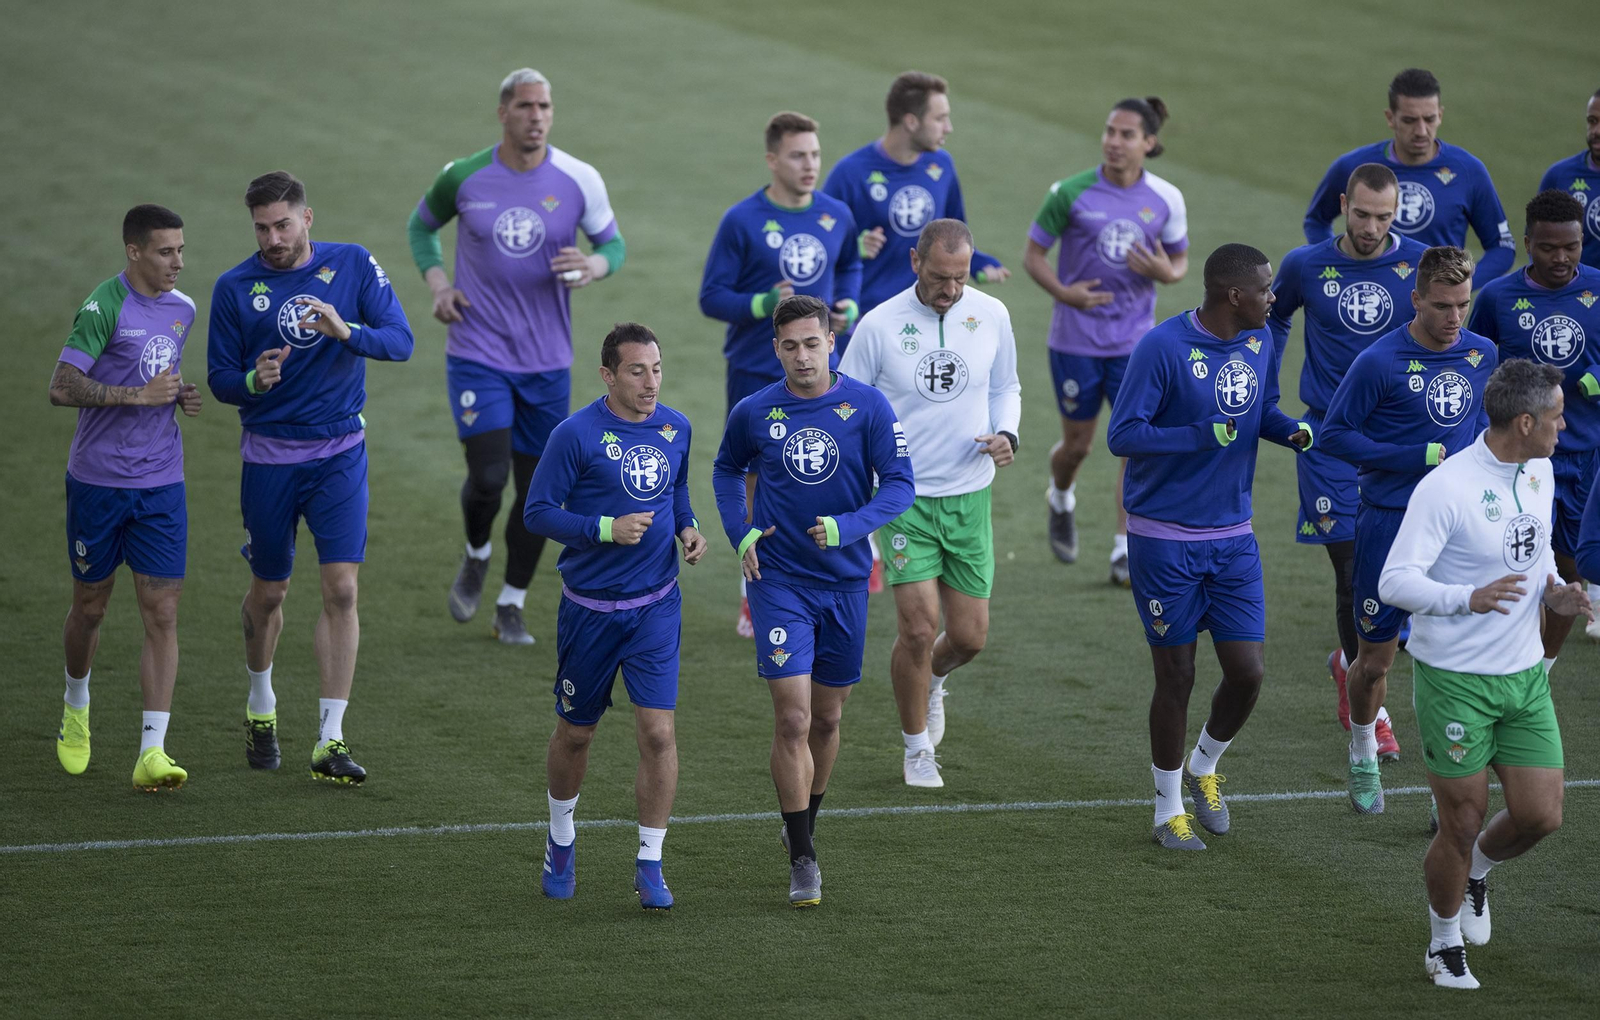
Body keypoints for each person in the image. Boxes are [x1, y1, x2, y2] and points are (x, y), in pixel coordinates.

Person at [1378, 359, 1590, 990]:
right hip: (1456, 682)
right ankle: (1443, 944)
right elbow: (1395, 581)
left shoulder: (1540, 470)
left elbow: (1536, 548)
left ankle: (1476, 872)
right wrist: (1464, 598)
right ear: (1524, 422)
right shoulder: (1446, 488)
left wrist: (1554, 590)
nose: (1564, 425)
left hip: (1523, 678)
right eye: (1556, 416)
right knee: (1462, 820)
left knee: (1541, 815)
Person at [208, 171, 415, 785]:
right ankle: (261, 705)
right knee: (270, 591)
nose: (273, 239)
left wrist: (345, 331)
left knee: (342, 590)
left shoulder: (352, 264)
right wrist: (253, 380)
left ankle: (330, 738)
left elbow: (401, 341)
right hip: (269, 460)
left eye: (282, 224)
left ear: (307, 218)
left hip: (340, 456)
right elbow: (220, 378)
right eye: (261, 229)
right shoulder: (233, 288)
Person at [408, 67, 626, 645]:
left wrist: (592, 265)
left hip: (546, 362)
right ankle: (477, 552)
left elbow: (613, 245)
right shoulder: (463, 176)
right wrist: (438, 285)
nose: (537, 116)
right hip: (477, 352)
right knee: (488, 476)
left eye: (545, 106)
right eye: (526, 106)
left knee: (537, 495)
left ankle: (511, 602)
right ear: (503, 112)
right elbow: (421, 228)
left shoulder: (578, 178)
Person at [1106, 244, 1312, 851]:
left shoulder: (1259, 339)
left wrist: (1291, 431)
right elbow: (1123, 435)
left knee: (1247, 673)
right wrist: (1199, 434)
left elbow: (1259, 410)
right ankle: (1166, 809)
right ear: (1234, 295)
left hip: (1233, 537)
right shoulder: (1162, 347)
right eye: (1265, 289)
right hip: (1163, 539)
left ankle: (1204, 765)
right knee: (1177, 674)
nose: (1274, 298)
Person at [712, 295, 914, 906]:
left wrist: (849, 527)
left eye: (812, 343)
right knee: (794, 718)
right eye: (790, 346)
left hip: (846, 583)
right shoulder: (755, 410)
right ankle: (803, 856)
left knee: (827, 718)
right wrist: (740, 532)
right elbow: (726, 470)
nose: (803, 356)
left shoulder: (868, 406)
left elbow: (900, 485)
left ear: (832, 341)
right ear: (775, 349)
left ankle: (802, 821)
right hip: (778, 582)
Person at [522, 323, 706, 910]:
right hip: (590, 611)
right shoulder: (574, 434)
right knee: (576, 734)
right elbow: (537, 512)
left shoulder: (676, 427)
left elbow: (676, 488)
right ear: (607, 375)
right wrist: (604, 528)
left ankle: (650, 861)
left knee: (658, 732)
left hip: (656, 606)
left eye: (657, 369)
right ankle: (560, 838)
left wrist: (687, 526)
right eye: (636, 371)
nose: (651, 382)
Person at [839, 219, 1019, 787]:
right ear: (915, 262)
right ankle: (917, 747)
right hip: (904, 499)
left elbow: (1005, 387)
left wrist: (1007, 434)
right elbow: (846, 403)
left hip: (969, 495)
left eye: (961, 277)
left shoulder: (991, 314)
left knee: (968, 638)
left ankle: (934, 679)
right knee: (918, 629)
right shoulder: (879, 325)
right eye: (941, 277)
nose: (951, 290)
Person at [1321, 246, 1496, 814]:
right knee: (1375, 661)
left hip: (1456, 527)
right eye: (1442, 306)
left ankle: (1450, 783)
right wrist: (1414, 456)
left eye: (1463, 305)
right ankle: (1363, 749)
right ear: (1416, 299)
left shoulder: (1482, 353)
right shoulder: (1379, 361)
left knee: (1453, 660)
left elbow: (1483, 428)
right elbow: (1335, 436)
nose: (1454, 318)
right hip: (1390, 523)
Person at [1268, 162, 1429, 752]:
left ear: (1396, 214)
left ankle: (1350, 661)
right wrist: (1266, 390)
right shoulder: (1305, 264)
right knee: (1351, 570)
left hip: (1398, 442)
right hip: (1328, 439)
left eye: (1383, 217)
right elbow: (1273, 316)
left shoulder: (1420, 264)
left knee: (1400, 572)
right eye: (1361, 214)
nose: (1370, 228)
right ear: (1343, 205)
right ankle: (1370, 708)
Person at [48, 204, 200, 792]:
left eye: (181, 250)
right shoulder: (104, 305)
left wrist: (177, 395)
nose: (177, 262)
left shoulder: (184, 309)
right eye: (165, 252)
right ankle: (76, 703)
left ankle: (152, 752)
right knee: (91, 607)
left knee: (162, 612)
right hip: (99, 482)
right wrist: (138, 396)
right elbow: (62, 386)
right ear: (134, 252)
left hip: (161, 482)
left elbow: (156, 374)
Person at [699, 111, 862, 636]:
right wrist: (762, 304)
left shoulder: (837, 214)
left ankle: (823, 577)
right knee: (755, 477)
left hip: (822, 376)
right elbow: (711, 296)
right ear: (772, 159)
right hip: (755, 369)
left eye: (814, 154)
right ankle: (753, 588)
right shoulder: (742, 220)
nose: (809, 165)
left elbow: (850, 263)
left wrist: (849, 303)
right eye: (797, 155)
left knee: (819, 465)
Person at [1024, 96, 1188, 582]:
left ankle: (1123, 548)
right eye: (1109, 131)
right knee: (1078, 447)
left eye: (1126, 134)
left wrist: (1167, 273)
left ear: (1149, 142)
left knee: (1137, 444)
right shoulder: (1069, 192)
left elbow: (1179, 259)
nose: (1114, 142)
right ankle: (1060, 496)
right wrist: (1064, 294)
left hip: (1135, 344)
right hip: (1074, 341)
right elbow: (1033, 255)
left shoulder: (1166, 198)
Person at [1468, 191, 1600, 669]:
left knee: (1569, 567)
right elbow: (1475, 366)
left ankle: (1540, 670)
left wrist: (1593, 378)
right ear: (1527, 244)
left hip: (1584, 457)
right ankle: (1502, 662)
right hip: (1518, 460)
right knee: (1511, 562)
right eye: (1548, 247)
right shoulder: (1497, 297)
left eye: (1571, 246)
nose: (1561, 257)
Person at [822, 70, 1009, 336]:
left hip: (928, 317)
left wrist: (975, 261)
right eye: (940, 118)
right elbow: (819, 243)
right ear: (911, 121)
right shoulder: (850, 174)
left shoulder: (942, 166)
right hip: (867, 323)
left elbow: (955, 231)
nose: (948, 127)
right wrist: (854, 247)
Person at [1304, 69, 1514, 290]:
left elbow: (1502, 247)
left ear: (1440, 115)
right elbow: (1316, 220)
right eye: (1410, 120)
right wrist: (1338, 265)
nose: (1421, 131)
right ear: (1390, 118)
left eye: (1429, 119)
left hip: (1435, 306)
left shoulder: (1468, 171)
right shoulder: (1354, 166)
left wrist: (1458, 284)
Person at [1537, 88, 1600, 270]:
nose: (1596, 131)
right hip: (1575, 288)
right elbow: (1536, 240)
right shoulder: (1559, 176)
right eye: (1592, 121)